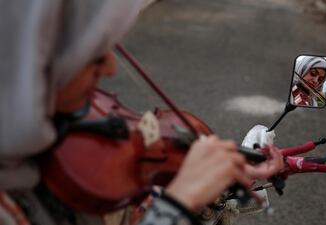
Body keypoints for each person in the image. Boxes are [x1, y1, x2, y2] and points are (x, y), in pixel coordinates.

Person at [0, 1, 284, 225]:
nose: (110, 68)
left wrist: (224, 178)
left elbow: (136, 207)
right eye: (94, 53)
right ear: (24, 59)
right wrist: (178, 203)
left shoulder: (48, 136)